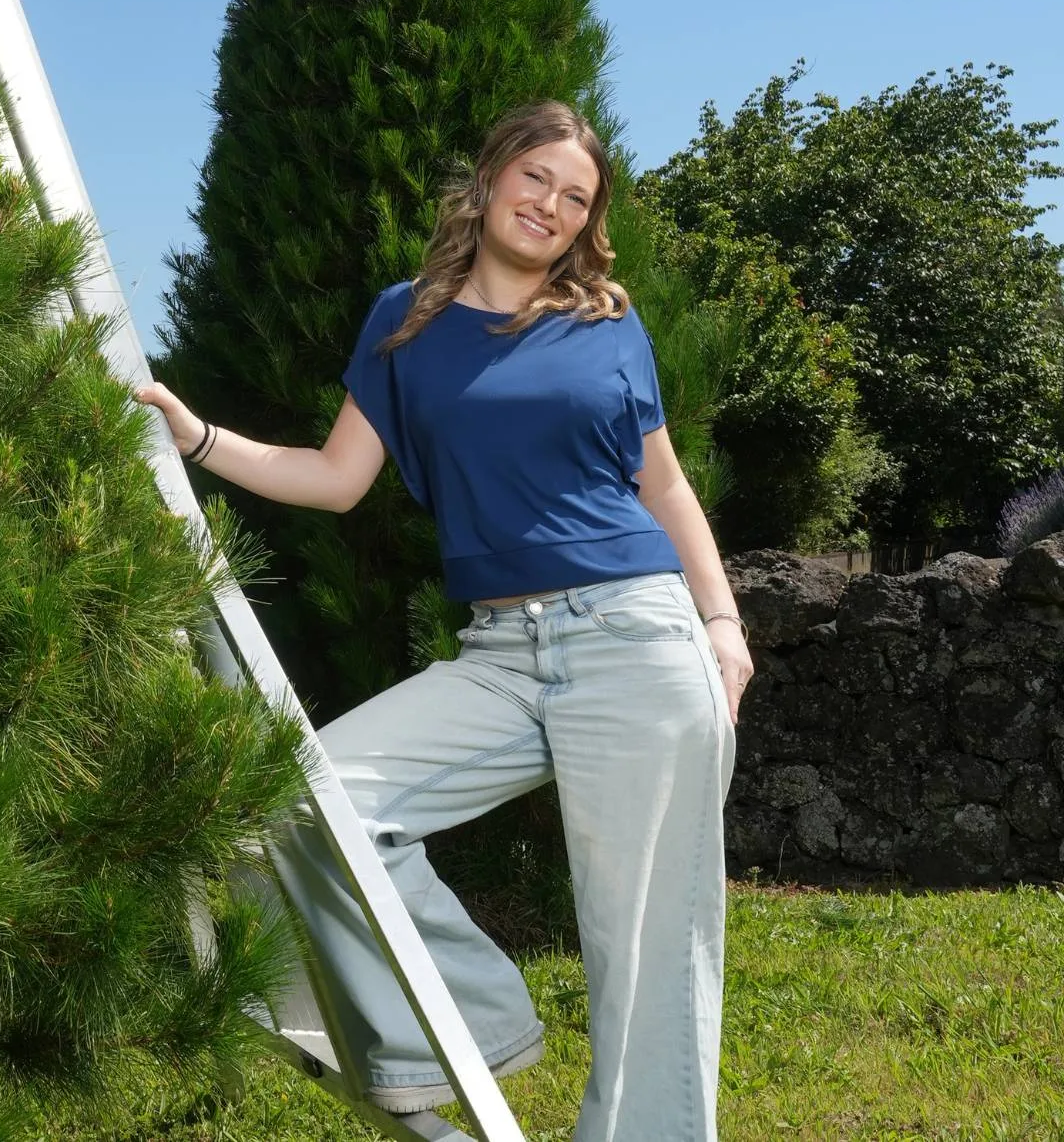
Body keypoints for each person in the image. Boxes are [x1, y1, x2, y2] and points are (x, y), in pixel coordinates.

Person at [138, 101, 751, 1142]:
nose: (550, 205)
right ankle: (463, 1020)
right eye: (537, 178)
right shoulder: (406, 322)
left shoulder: (606, 319)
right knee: (311, 801)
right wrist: (198, 437)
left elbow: (665, 485)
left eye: (576, 197)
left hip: (637, 637)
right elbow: (334, 477)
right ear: (492, 175)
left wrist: (723, 621)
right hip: (501, 652)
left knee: (648, 945)